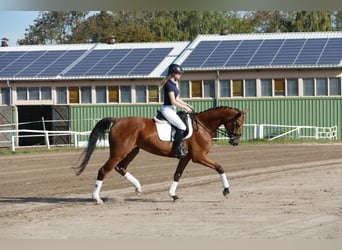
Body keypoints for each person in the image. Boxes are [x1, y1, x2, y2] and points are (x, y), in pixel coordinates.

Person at [160, 63, 193, 159]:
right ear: (173, 73)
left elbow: (177, 98)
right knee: (182, 127)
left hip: (172, 110)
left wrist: (187, 104)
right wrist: (185, 108)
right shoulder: (169, 85)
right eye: (179, 73)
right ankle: (176, 149)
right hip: (167, 110)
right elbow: (173, 101)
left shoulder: (174, 84)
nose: (180, 75)